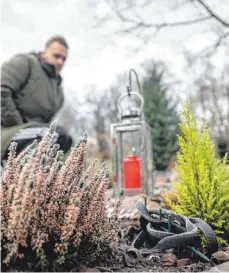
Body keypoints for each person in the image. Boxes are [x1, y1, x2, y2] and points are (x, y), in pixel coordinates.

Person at [1, 35, 73, 163]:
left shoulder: (58, 92)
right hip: (6, 131)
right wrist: (20, 126)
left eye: (64, 59)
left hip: (33, 134)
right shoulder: (26, 63)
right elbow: (2, 90)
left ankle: (37, 179)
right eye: (56, 56)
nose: (60, 61)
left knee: (65, 140)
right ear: (44, 52)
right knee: (55, 134)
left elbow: (46, 122)